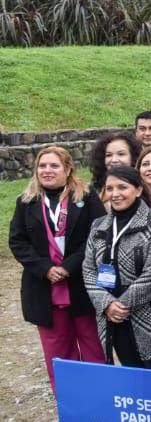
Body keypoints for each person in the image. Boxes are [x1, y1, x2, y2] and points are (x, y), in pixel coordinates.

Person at [10, 146, 107, 390]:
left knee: (94, 347)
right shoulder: (26, 201)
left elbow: (98, 234)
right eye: (42, 166)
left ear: (67, 169)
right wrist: (44, 268)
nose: (47, 170)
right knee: (58, 355)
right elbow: (17, 241)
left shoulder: (86, 196)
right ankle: (70, 406)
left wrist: (69, 266)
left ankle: (102, 401)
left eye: (54, 166)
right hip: (44, 289)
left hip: (82, 285)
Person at [82, 165, 151, 371]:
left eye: (122, 187)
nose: (115, 194)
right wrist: (107, 304)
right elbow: (89, 270)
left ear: (137, 190)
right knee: (129, 376)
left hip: (148, 316)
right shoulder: (98, 225)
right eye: (110, 189)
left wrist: (122, 306)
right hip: (112, 317)